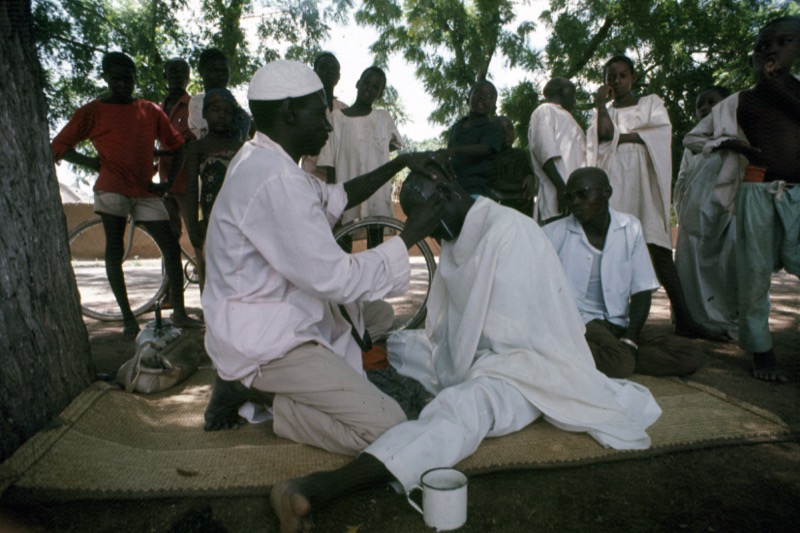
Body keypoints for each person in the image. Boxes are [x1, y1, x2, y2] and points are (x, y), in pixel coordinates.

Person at [270, 170, 662, 532]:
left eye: (428, 222)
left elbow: (516, 336)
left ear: (446, 194)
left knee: (462, 411)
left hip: (527, 366)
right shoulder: (461, 234)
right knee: (409, 346)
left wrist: (462, 367)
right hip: (478, 354)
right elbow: (449, 324)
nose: (433, 235)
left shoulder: (511, 232)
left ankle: (323, 487)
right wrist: (455, 357)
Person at [200, 60, 449, 454]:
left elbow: (339, 197)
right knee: (390, 427)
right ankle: (257, 394)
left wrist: (399, 162)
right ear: (289, 111)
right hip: (267, 340)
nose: (329, 126)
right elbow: (339, 278)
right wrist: (411, 234)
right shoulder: (275, 179)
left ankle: (296, 381)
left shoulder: (264, 159)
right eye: (321, 114)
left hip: (273, 312)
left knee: (379, 315)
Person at [51, 52, 204, 335]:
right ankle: (128, 318)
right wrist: (91, 162)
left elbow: (178, 145)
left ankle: (180, 313)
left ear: (135, 79)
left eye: (128, 78)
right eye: (117, 78)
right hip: (112, 189)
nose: (123, 84)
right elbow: (59, 145)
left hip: (145, 190)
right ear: (106, 78)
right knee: (115, 249)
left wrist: (166, 185)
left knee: (171, 246)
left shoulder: (149, 110)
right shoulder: (92, 112)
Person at [683, 16, 800, 382]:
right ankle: (761, 350)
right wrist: (729, 143)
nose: (770, 49)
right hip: (756, 191)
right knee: (753, 273)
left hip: (798, 194)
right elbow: (693, 138)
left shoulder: (795, 93)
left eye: (782, 42)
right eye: (762, 45)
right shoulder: (738, 102)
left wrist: (778, 85)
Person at [587, 55, 715, 340]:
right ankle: (619, 320)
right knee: (615, 245)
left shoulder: (650, 104)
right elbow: (603, 135)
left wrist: (620, 138)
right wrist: (600, 106)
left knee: (656, 243)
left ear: (632, 77)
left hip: (643, 178)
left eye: (622, 75)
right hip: (614, 182)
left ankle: (684, 317)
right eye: (611, 77)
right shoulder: (603, 111)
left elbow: (657, 134)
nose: (616, 81)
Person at [544, 168, 703, 378]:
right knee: (619, 364)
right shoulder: (553, 234)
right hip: (581, 323)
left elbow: (642, 290)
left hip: (619, 323)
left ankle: (610, 355)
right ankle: (614, 357)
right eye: (569, 197)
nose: (574, 202)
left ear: (607, 192)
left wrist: (630, 338)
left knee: (691, 354)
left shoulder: (630, 228)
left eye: (582, 194)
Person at [674, 86, 737, 340]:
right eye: (700, 104)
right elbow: (682, 181)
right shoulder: (692, 145)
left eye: (712, 102)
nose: (704, 108)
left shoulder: (738, 137)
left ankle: (727, 319)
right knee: (692, 270)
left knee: (727, 266)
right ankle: (694, 319)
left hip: (728, 216)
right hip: (695, 216)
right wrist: (685, 211)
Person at [317, 66, 402, 248]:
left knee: (375, 242)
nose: (369, 89)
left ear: (379, 94)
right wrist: (334, 198)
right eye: (366, 83)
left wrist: (372, 151)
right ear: (358, 83)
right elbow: (330, 161)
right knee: (343, 241)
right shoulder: (336, 119)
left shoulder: (383, 119)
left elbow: (393, 144)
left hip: (376, 193)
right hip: (347, 191)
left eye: (375, 87)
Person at [184, 88, 244, 290]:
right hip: (209, 222)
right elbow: (191, 189)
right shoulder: (197, 148)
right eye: (216, 110)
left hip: (238, 222)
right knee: (211, 276)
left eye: (227, 112)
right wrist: (193, 227)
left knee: (239, 274)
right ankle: (213, 319)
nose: (222, 115)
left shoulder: (241, 148)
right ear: (205, 113)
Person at [528, 77, 586, 223]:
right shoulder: (545, 110)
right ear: (561, 91)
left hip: (576, 199)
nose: (574, 98)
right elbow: (546, 153)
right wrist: (563, 190)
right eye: (572, 92)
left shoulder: (568, 118)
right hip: (558, 201)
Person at [437, 80, 506, 197]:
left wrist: (456, 150)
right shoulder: (457, 126)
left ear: (494, 106)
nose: (483, 98)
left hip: (477, 189)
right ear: (468, 99)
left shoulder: (493, 127)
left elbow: (486, 148)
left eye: (489, 97)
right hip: (453, 188)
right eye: (479, 94)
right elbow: (450, 154)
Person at [301, 52, 349, 181]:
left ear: (338, 77)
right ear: (315, 71)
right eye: (324, 67)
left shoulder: (345, 110)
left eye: (334, 69)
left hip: (339, 178)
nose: (329, 72)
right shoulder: (303, 105)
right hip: (310, 174)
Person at [187, 48, 251, 142]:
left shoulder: (231, 101)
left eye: (224, 71)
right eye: (214, 70)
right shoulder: (197, 102)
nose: (221, 75)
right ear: (202, 72)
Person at [488, 116, 536, 216]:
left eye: (510, 128)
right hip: (502, 207)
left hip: (523, 208)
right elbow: (495, 184)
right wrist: (519, 189)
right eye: (501, 130)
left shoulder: (520, 154)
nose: (507, 133)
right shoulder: (490, 157)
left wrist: (530, 178)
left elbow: (529, 174)